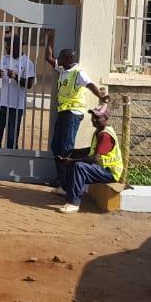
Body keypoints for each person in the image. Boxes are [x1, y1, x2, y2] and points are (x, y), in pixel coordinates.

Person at [44, 46, 109, 193]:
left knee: (66, 148)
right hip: (64, 112)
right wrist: (48, 37)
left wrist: (100, 96)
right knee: (56, 146)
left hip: (73, 114)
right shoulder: (63, 70)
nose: (57, 60)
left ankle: (66, 184)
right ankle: (61, 179)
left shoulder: (78, 73)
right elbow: (49, 58)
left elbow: (90, 84)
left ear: (68, 60)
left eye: (60, 57)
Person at [57, 106, 124, 214]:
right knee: (73, 157)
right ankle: (66, 189)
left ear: (105, 118)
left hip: (110, 172)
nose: (94, 119)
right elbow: (93, 150)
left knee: (79, 166)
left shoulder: (105, 135)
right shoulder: (100, 130)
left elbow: (94, 159)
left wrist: (71, 161)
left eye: (97, 117)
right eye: (93, 116)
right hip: (102, 168)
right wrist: (74, 152)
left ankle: (73, 203)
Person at [0, 35, 35, 149]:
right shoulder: (4, 59)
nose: (6, 49)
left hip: (16, 107)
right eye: (6, 46)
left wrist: (16, 77)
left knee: (11, 140)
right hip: (0, 105)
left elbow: (29, 84)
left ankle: (9, 164)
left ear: (17, 47)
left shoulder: (27, 63)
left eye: (8, 46)